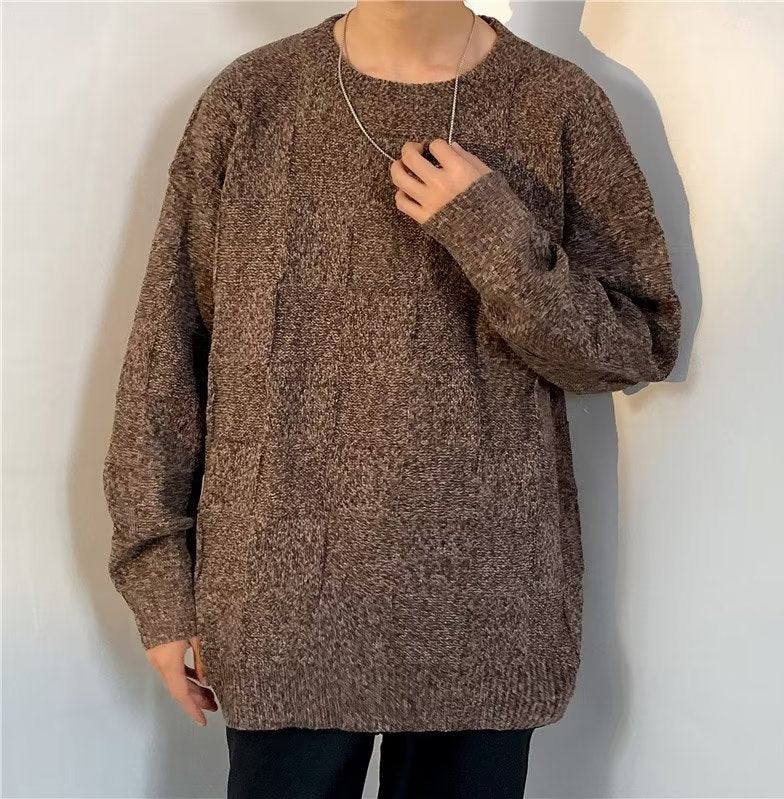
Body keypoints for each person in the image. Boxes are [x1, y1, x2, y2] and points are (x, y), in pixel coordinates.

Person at [102, 3, 682, 797]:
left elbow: (636, 342)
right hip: (283, 603)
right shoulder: (253, 99)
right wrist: (160, 583)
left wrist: (489, 228)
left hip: (481, 608)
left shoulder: (557, 103)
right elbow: (165, 357)